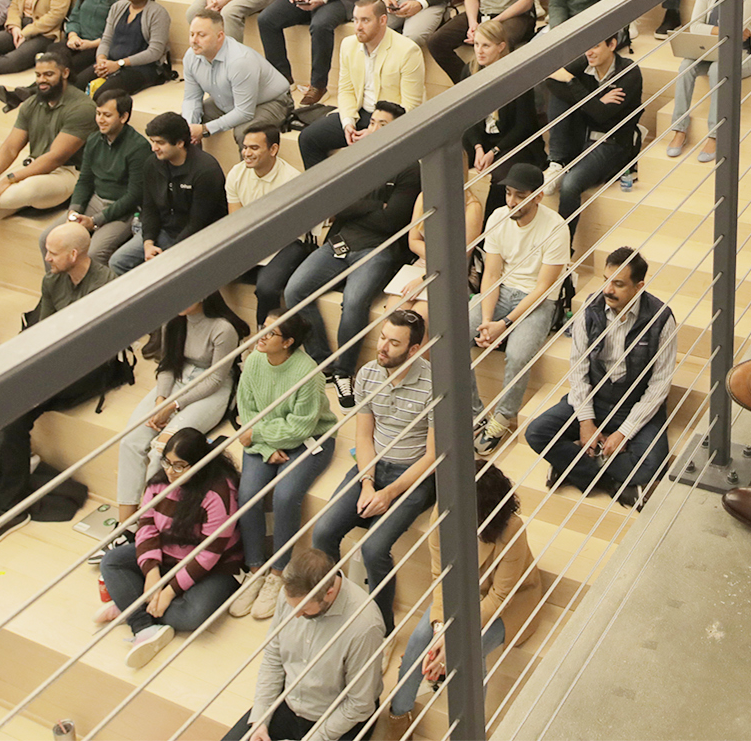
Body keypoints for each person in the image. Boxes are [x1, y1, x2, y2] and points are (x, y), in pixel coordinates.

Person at [0, 224, 116, 542]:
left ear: (73, 254)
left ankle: (12, 505)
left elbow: (95, 342)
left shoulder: (107, 283)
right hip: (57, 361)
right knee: (3, 398)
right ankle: (13, 484)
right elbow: (44, 330)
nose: (47, 258)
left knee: (17, 409)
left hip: (91, 367)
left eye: (52, 253)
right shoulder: (52, 280)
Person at [385, 463, 540, 737]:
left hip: (508, 604)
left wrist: (453, 637)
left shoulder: (511, 529)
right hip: (459, 594)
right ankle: (399, 716)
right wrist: (440, 629)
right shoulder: (443, 513)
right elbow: (440, 575)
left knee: (469, 649)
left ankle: (471, 731)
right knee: (420, 637)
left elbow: (500, 597)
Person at [282, 102, 421, 406]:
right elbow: (332, 203)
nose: (374, 129)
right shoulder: (356, 157)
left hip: (379, 248)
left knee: (355, 301)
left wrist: (353, 205)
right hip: (341, 241)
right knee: (294, 291)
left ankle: (344, 372)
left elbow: (392, 220)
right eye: (372, 123)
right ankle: (323, 363)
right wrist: (374, 205)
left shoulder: (410, 168)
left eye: (383, 124)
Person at [311, 309, 437, 630]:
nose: (382, 347)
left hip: (414, 475)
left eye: (394, 343)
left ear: (414, 349)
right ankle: (336, 609)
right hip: (372, 467)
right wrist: (368, 483)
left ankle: (382, 628)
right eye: (382, 337)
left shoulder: (434, 384)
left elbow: (433, 456)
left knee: (374, 548)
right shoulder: (368, 374)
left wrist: (389, 493)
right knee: (322, 532)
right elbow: (363, 437)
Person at [526, 248, 677, 509]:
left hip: (634, 404)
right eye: (606, 280)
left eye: (618, 284)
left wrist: (624, 433)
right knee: (537, 432)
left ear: (639, 287)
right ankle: (611, 484)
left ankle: (571, 465)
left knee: (654, 464)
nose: (608, 290)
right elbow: (578, 370)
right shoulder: (590, 309)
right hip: (595, 398)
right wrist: (586, 422)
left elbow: (659, 386)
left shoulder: (661, 319)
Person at [98, 427, 243, 670]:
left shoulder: (218, 493)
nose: (170, 471)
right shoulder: (159, 483)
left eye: (179, 465)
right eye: (167, 462)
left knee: (193, 615)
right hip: (168, 556)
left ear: (199, 464)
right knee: (111, 561)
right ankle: (142, 625)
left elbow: (208, 555)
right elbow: (146, 527)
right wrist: (151, 572)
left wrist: (169, 592)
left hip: (213, 567)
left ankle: (131, 607)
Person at [230, 311, 338, 622]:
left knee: (286, 496)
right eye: (262, 328)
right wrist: (265, 446)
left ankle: (278, 573)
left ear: (288, 342)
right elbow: (247, 411)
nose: (261, 336)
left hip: (309, 439)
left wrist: (259, 435)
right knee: (248, 494)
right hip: (263, 439)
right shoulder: (253, 361)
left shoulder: (308, 372)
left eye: (271, 332)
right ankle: (255, 570)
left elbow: (301, 427)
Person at [224, 546, 384, 741]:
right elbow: (273, 658)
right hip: (289, 701)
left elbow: (359, 704)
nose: (296, 615)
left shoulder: (365, 626)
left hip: (338, 717)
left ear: (329, 593)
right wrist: (260, 720)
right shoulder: (292, 595)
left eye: (304, 609)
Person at [0, 47, 94, 250]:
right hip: (33, 168)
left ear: (65, 73)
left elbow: (55, 157)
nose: (42, 80)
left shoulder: (83, 108)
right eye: (38, 75)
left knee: (21, 191)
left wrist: (9, 179)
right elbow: (9, 148)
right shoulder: (31, 103)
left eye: (49, 74)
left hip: (68, 173)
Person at [116, 294, 248, 520]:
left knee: (162, 450)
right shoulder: (173, 320)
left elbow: (215, 380)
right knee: (130, 441)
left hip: (212, 389)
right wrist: (161, 400)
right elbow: (167, 364)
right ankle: (125, 524)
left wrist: (174, 406)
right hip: (179, 377)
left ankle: (149, 520)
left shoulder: (223, 329)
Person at [468, 163, 569, 454]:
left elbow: (543, 288)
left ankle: (502, 418)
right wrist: (488, 321)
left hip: (539, 301)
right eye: (508, 193)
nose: (511, 201)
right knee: (453, 335)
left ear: (538, 196)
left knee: (517, 354)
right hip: (501, 292)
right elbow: (491, 275)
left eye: (520, 196)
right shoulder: (498, 217)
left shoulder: (556, 228)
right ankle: (475, 413)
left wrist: (504, 325)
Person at [298, 0, 425, 168]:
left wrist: (376, 131)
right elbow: (346, 90)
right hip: (360, 112)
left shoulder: (408, 51)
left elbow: (410, 107)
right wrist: (348, 123)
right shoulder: (348, 44)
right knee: (308, 139)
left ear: (383, 20)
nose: (358, 27)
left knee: (369, 152)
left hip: (390, 119)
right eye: (355, 20)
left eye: (365, 20)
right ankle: (324, 186)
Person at [545, 36, 644, 252]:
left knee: (570, 185)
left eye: (595, 46)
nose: (589, 52)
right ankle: (557, 161)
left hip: (612, 143)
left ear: (612, 45)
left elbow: (601, 115)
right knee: (558, 98)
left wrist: (572, 81)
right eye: (586, 46)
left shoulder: (629, 72)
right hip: (582, 137)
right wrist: (595, 100)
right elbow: (551, 82)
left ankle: (561, 252)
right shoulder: (586, 61)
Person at [38, 85, 151, 264]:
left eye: (107, 115)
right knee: (47, 238)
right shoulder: (93, 140)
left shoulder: (139, 147)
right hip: (94, 202)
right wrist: (74, 211)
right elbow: (85, 181)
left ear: (123, 117)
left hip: (123, 211)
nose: (100, 120)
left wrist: (95, 220)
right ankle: (58, 282)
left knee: (94, 253)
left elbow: (134, 195)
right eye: (98, 114)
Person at [109, 112, 228, 274]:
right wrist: (148, 243)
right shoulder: (152, 164)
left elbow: (198, 222)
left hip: (199, 236)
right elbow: (149, 208)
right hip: (164, 230)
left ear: (179, 143)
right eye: (152, 141)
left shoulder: (206, 170)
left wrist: (169, 255)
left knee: (166, 269)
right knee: (118, 262)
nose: (154, 148)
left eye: (160, 143)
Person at [0, 0, 125, 101]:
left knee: (68, 66)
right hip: (78, 40)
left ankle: (27, 94)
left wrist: (91, 44)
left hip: (99, 46)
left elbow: (118, 32)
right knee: (54, 53)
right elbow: (74, 18)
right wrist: (73, 36)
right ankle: (28, 92)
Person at [668, 0, 751, 161]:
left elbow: (739, 29)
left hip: (742, 53)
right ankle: (679, 129)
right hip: (712, 48)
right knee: (686, 66)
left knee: (717, 70)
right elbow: (695, 26)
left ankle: (715, 134)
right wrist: (726, 31)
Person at [461, 21, 545, 221]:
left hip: (513, 141)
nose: (479, 51)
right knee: (449, 160)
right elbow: (465, 117)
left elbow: (524, 126)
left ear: (501, 47)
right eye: (476, 44)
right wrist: (478, 147)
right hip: (483, 138)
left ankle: (490, 229)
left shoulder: (517, 76)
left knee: (501, 177)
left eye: (486, 46)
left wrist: (494, 152)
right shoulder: (469, 71)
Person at [227, 125, 308, 326]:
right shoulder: (236, 173)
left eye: (254, 148)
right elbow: (236, 220)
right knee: (204, 274)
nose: (247, 153)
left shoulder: (292, 180)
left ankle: (264, 336)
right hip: (251, 238)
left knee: (267, 288)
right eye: (245, 147)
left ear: (273, 149)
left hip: (286, 242)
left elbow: (286, 229)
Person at [182, 10, 294, 149]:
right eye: (192, 34)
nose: (194, 40)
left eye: (201, 35)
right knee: (178, 127)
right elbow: (191, 99)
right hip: (229, 100)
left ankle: (247, 165)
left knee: (246, 134)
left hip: (272, 102)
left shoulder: (240, 61)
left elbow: (244, 113)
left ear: (220, 36)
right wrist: (189, 127)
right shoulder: (191, 57)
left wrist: (205, 129)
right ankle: (194, 163)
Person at [91, 0, 173, 96]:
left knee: (101, 94)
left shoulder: (158, 13)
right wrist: (101, 61)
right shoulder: (118, 7)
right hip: (112, 63)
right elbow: (106, 39)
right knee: (78, 83)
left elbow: (155, 52)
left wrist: (119, 64)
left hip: (141, 68)